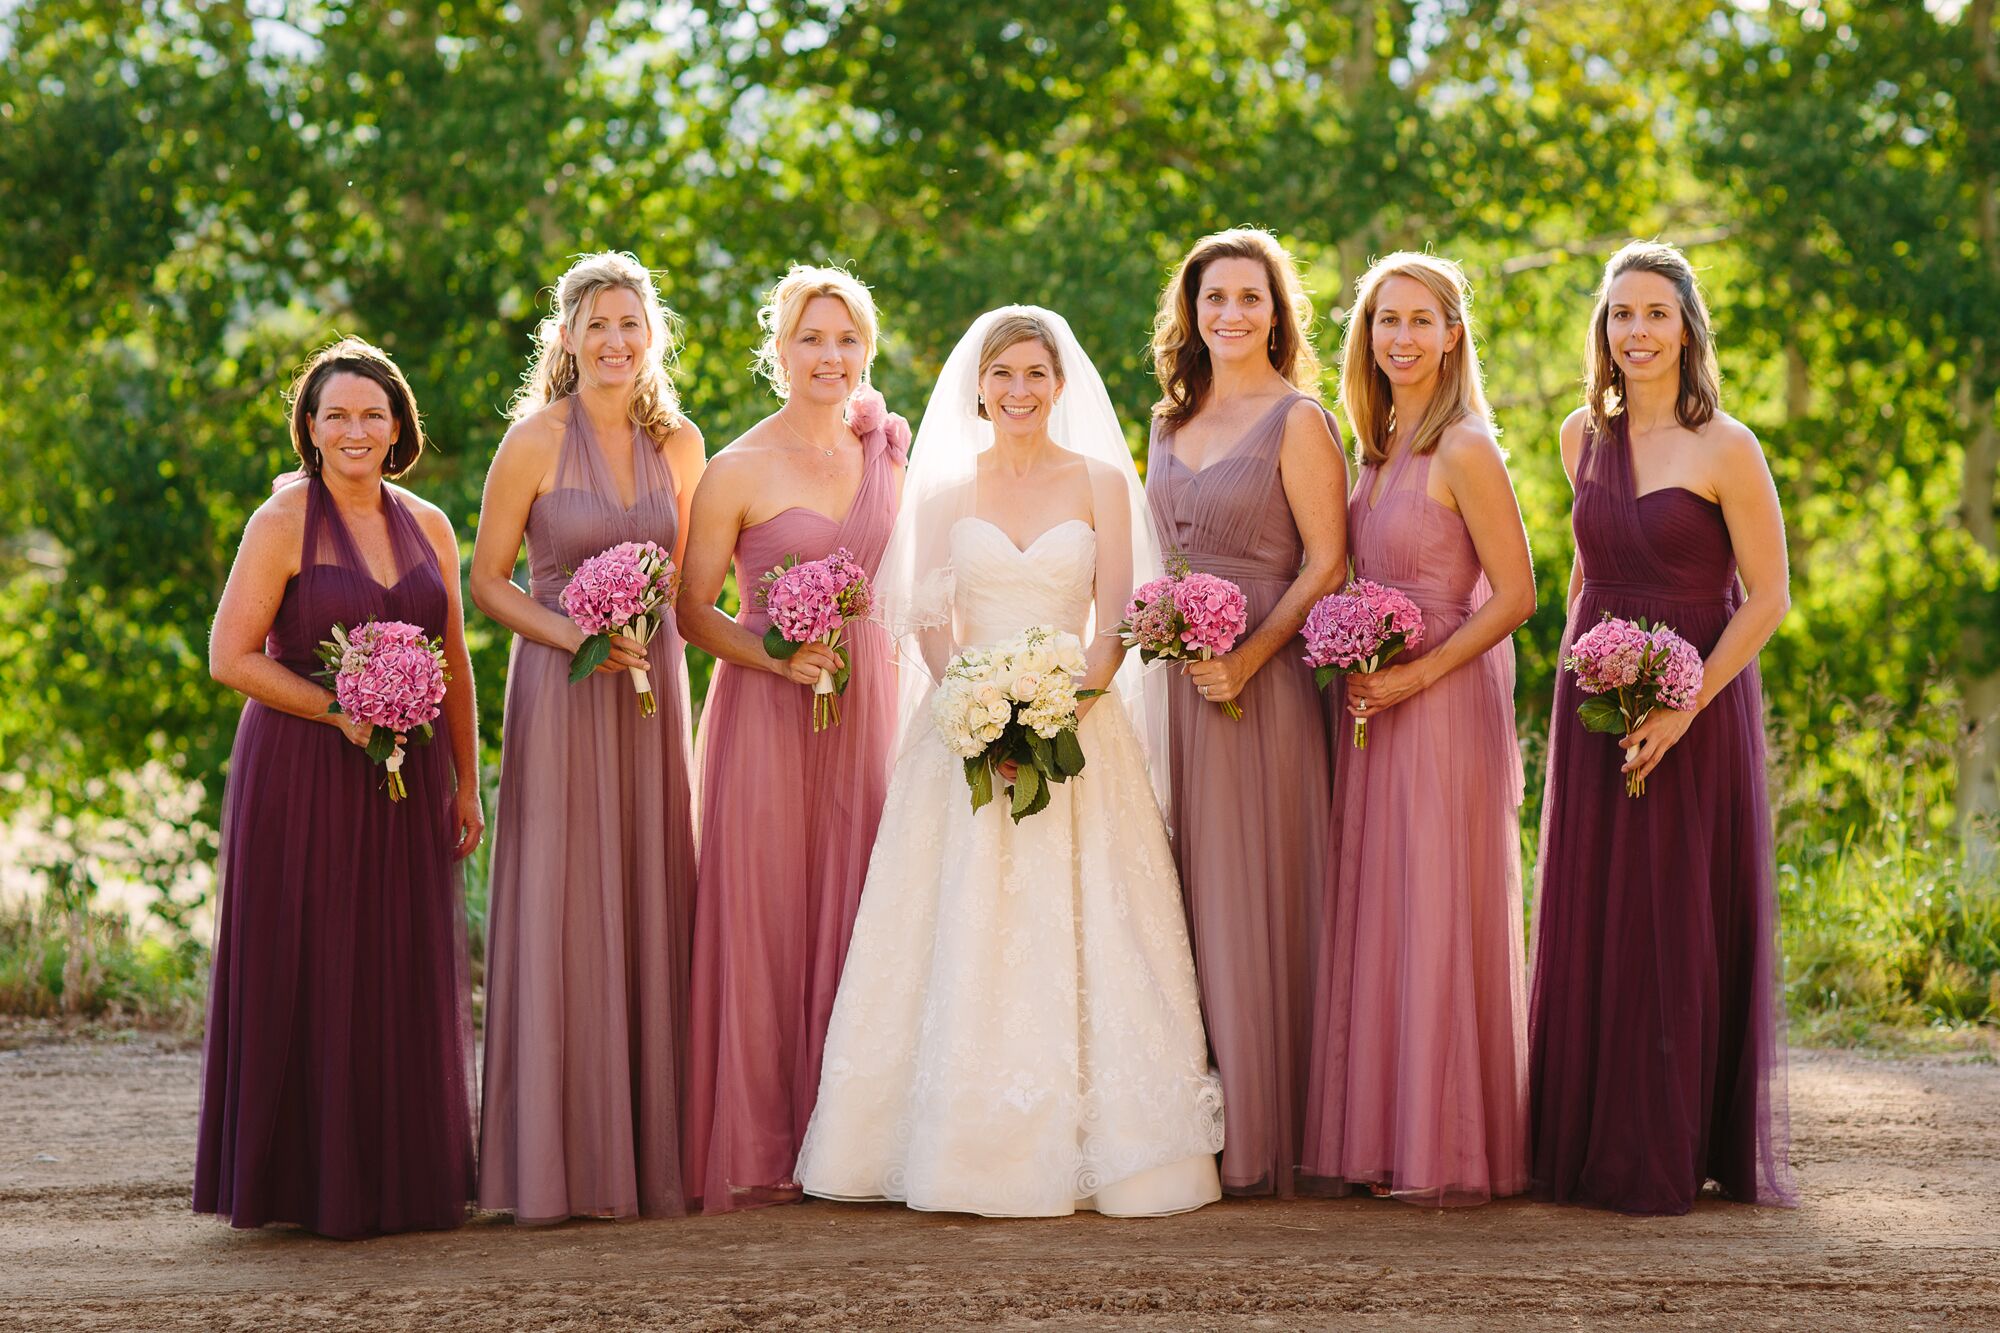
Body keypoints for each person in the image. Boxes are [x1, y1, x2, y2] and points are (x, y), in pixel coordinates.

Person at [795, 307, 1223, 1217]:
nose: (1020, 391)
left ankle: (1111, 1147)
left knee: (1092, 927)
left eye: (1036, 374)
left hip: (1081, 729)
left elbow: (1119, 622)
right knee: (958, 920)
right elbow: (928, 623)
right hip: (964, 735)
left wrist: (1060, 708)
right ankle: (954, 1144)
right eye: (1004, 376)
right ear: (979, 387)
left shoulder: (1104, 481)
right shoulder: (949, 489)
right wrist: (976, 710)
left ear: (1060, 384)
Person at [1529, 241, 1796, 1215]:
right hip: (1593, 701)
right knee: (1597, 909)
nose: (1634, 332)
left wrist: (1681, 708)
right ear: (1599, 331)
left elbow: (1766, 598)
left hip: (1698, 699)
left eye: (1653, 313)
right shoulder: (1576, 437)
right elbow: (1582, 571)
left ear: (1685, 327)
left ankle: (1672, 1142)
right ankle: (1584, 1137)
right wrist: (1574, 677)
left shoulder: (1727, 446)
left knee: (1671, 915)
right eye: (1618, 315)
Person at [197, 336, 480, 1237]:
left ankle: (395, 1177)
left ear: (399, 426)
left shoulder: (429, 521)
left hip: (412, 770)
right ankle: (301, 1185)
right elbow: (230, 657)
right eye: (336, 415)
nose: (355, 429)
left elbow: (457, 662)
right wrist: (336, 709)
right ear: (310, 430)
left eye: (372, 413)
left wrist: (469, 782)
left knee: (396, 960)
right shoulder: (281, 523)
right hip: (304, 768)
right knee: (311, 957)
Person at [470, 252, 704, 1223]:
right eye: (595, 323)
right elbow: (483, 581)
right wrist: (577, 632)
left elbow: (691, 586)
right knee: (564, 900)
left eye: (630, 323)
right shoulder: (531, 443)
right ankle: (553, 1160)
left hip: (649, 691)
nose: (614, 340)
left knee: (647, 889)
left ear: (651, 337)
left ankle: (652, 1154)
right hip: (561, 691)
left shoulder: (682, 444)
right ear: (564, 338)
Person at [1302, 253, 1535, 1205]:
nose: (1400, 337)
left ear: (1452, 335)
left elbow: (1517, 594)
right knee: (1385, 901)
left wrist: (1421, 675)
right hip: (1376, 703)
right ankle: (1387, 1132)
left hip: (1440, 703)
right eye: (1383, 320)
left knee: (1436, 903)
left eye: (1420, 320)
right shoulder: (1380, 445)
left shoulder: (1467, 447)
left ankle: (1449, 1144)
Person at [678, 266, 907, 1212]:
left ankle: (847, 1140)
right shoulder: (737, 466)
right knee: (765, 910)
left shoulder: (890, 451)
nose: (830, 356)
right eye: (812, 339)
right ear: (778, 349)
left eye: (847, 339)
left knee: (860, 903)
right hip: (767, 710)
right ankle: (761, 1140)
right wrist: (777, 657)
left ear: (868, 350)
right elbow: (693, 612)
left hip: (870, 702)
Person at [1144, 228, 1347, 1197]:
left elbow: (1326, 564)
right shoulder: (1165, 420)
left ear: (1277, 313)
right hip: (1180, 689)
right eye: (1212, 298)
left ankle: (1281, 1125)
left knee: (1262, 891)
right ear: (1189, 312)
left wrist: (1249, 657)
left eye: (1248, 298)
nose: (1228, 315)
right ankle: (1206, 1116)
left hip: (1261, 689)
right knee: (1186, 894)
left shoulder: (1298, 419)